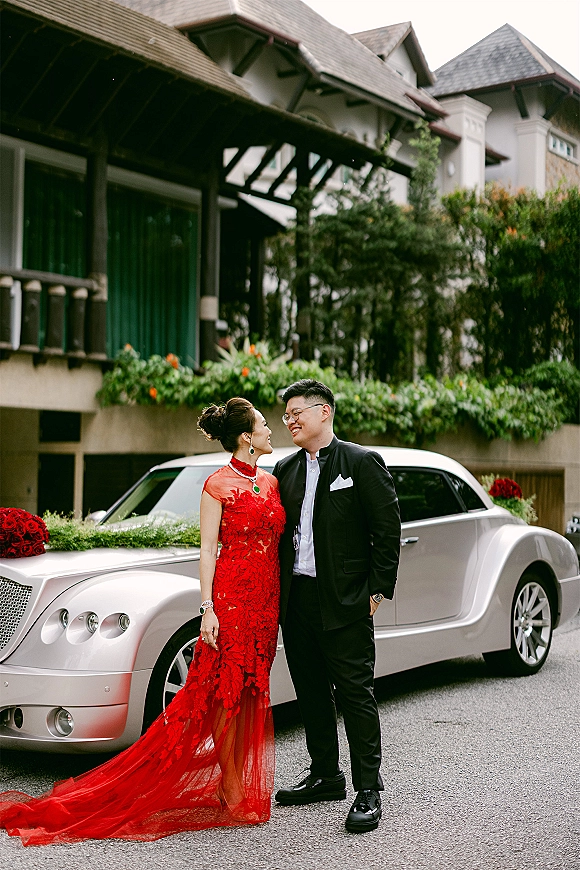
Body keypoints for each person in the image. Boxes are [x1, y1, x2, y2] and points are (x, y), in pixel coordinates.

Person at [0, 398, 285, 846]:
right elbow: (208, 550)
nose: (273, 429)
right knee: (225, 695)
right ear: (246, 437)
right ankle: (232, 787)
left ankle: (235, 785)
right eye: (265, 425)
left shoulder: (271, 482)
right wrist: (207, 608)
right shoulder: (216, 485)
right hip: (229, 602)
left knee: (251, 689)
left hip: (265, 605)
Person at [273, 379, 400, 833]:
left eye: (296, 412)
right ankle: (326, 775)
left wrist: (378, 591)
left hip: (345, 600)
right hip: (298, 599)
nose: (288, 420)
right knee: (310, 691)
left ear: (323, 412)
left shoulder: (361, 463)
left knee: (355, 694)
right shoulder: (283, 470)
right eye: (285, 414)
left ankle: (369, 789)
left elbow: (387, 531)